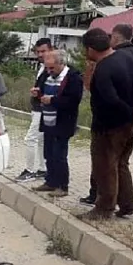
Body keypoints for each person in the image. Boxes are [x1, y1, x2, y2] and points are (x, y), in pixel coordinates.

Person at [78, 28, 133, 221]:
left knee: (105, 166)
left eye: (86, 49)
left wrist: (131, 111)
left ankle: (104, 208)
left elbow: (110, 99)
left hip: (110, 127)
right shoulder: (127, 58)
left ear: (91, 48)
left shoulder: (103, 68)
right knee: (121, 164)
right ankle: (127, 205)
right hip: (132, 124)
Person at [31, 50, 84, 197]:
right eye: (47, 68)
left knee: (59, 155)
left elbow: (73, 101)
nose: (49, 71)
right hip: (47, 120)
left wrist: (53, 100)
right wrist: (37, 94)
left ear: (61, 63)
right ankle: (50, 181)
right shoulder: (47, 75)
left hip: (63, 122)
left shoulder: (73, 78)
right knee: (48, 153)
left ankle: (62, 186)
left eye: (52, 68)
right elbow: (41, 92)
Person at [15, 38, 53, 182]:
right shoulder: (42, 67)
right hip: (37, 107)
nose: (40, 55)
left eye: (43, 51)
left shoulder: (53, 67)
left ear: (51, 49)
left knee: (30, 138)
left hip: (43, 109)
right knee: (41, 140)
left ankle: (29, 170)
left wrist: (40, 94)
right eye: (38, 52)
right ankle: (43, 168)